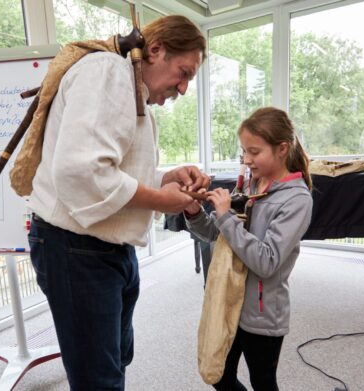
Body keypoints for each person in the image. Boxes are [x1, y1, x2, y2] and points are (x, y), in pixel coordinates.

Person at [27, 15, 209, 390]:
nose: (185, 87)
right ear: (156, 50)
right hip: (77, 249)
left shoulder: (130, 89)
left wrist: (166, 178)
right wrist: (161, 199)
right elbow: (82, 173)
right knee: (99, 378)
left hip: (104, 250)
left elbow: (114, 173)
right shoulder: (108, 73)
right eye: (184, 72)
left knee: (114, 360)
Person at [184, 107, 313, 391]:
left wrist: (226, 216)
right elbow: (219, 236)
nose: (246, 159)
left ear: (282, 149)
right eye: (244, 151)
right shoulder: (253, 183)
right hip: (231, 301)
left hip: (263, 314)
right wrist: (195, 212)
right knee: (219, 375)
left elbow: (266, 261)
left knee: (263, 382)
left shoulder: (297, 200)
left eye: (254, 151)